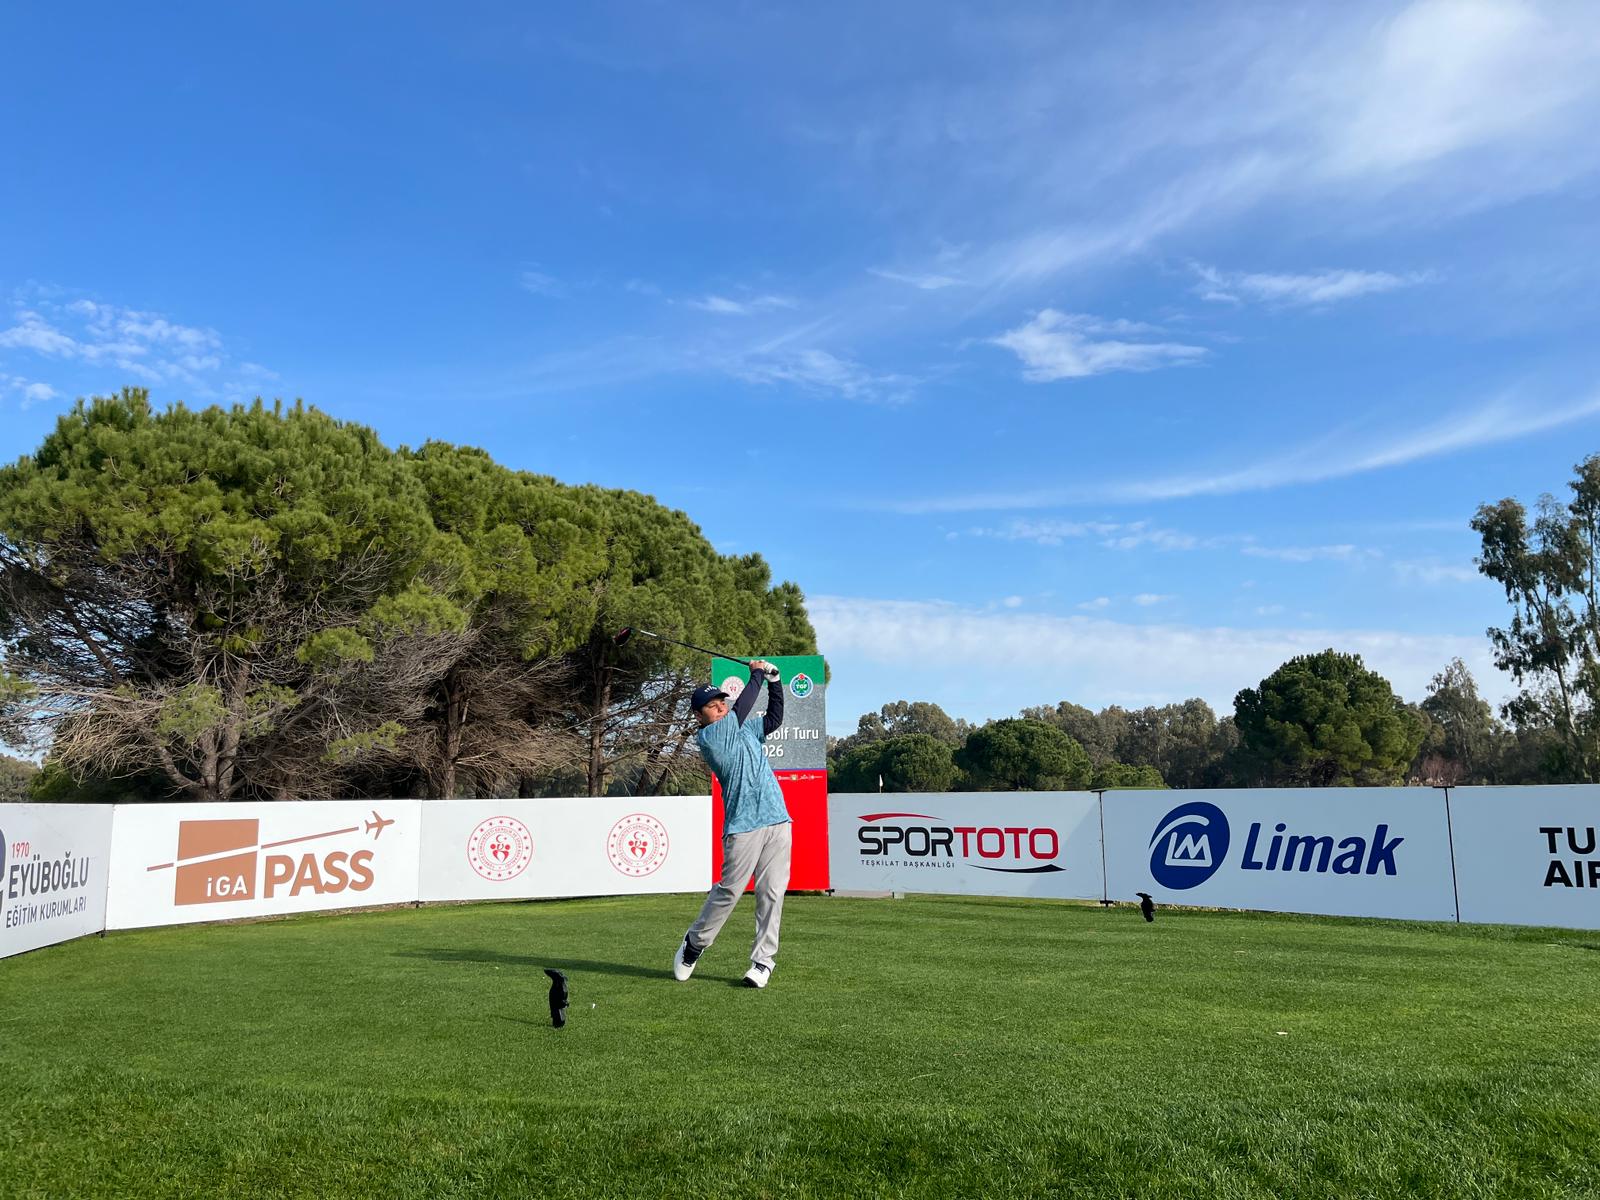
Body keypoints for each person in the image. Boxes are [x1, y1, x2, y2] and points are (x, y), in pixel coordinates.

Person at [672, 659, 790, 989]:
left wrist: (776, 682)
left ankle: (763, 962)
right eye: (712, 706)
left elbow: (773, 719)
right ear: (700, 716)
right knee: (729, 891)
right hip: (743, 825)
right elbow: (744, 706)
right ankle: (694, 943)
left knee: (771, 893)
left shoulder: (745, 730)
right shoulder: (711, 737)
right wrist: (757, 673)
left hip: (778, 819)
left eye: (722, 701)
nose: (721, 707)